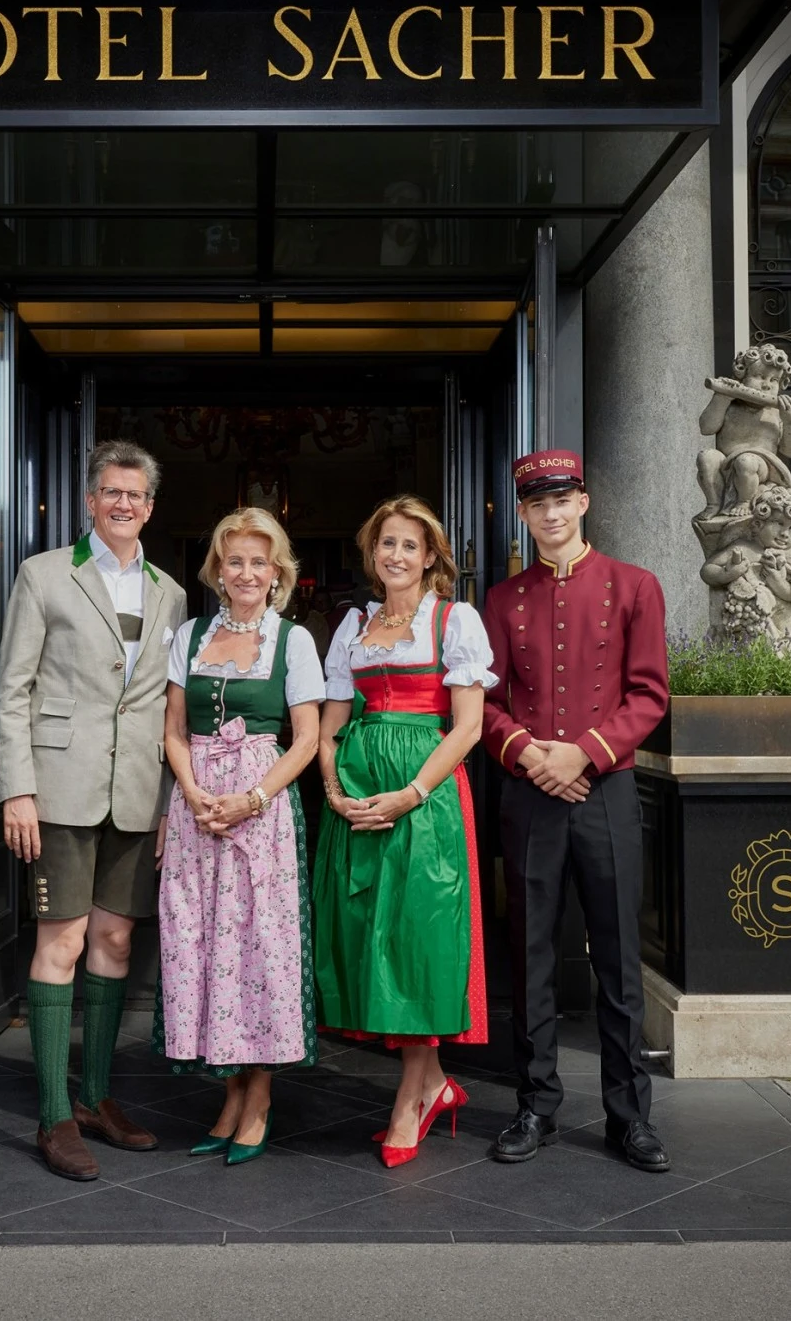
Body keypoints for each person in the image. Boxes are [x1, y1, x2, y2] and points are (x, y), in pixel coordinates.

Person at [0, 439, 188, 1182]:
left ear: (149, 505)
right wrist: (17, 787)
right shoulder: (43, 574)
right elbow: (12, 688)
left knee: (113, 944)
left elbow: (171, 709)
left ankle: (96, 1098)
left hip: (137, 791)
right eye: (112, 492)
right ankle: (51, 1116)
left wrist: (171, 797)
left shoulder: (170, 591)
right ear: (89, 499)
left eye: (136, 495)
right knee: (63, 943)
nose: (124, 504)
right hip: (60, 789)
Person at [481, 450, 672, 1173]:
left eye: (563, 500)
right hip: (530, 795)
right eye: (538, 504)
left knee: (618, 960)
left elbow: (649, 694)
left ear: (584, 502)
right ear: (524, 513)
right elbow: (489, 703)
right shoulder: (503, 600)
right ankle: (536, 1105)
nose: (552, 514)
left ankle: (630, 1117)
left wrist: (583, 754)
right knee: (529, 956)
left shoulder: (635, 586)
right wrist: (532, 755)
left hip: (607, 791)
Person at [312, 495, 495, 1168]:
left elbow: (469, 726)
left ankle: (413, 1099)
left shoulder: (454, 619)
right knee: (375, 940)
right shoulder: (354, 625)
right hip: (358, 801)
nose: (396, 555)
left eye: (409, 545)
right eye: (386, 542)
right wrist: (335, 790)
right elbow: (332, 722)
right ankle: (434, 1083)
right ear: (373, 552)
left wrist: (410, 792)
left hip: (426, 802)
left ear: (431, 556)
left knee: (419, 939)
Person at [154, 508, 325, 1166]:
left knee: (258, 950)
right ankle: (229, 1092)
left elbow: (306, 737)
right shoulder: (191, 634)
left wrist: (253, 796)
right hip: (198, 807)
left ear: (277, 572)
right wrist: (192, 791)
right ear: (218, 570)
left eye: (260, 561)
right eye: (235, 561)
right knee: (199, 943)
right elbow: (172, 728)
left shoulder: (293, 641)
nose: (247, 571)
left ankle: (258, 1098)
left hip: (262, 810)